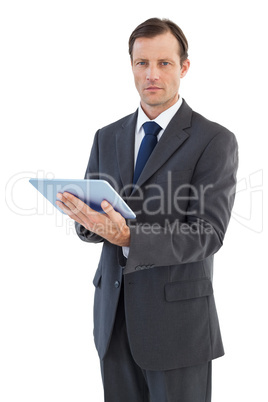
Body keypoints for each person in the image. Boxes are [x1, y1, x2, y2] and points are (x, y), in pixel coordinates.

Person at [56, 17, 238, 402]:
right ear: (132, 66)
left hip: (178, 328)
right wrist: (85, 221)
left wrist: (129, 236)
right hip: (114, 319)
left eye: (164, 63)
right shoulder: (108, 136)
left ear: (184, 67)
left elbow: (207, 234)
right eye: (142, 63)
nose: (151, 74)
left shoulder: (214, 140)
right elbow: (95, 222)